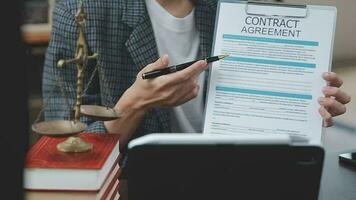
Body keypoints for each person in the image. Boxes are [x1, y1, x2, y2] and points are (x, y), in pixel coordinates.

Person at [43, 0, 350, 148]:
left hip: (246, 171)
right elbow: (68, 149)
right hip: (142, 182)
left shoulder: (244, 4)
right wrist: (133, 105)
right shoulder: (83, 10)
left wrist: (309, 102)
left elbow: (278, 101)